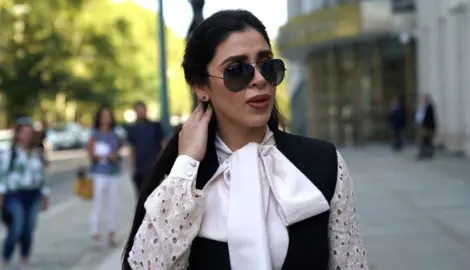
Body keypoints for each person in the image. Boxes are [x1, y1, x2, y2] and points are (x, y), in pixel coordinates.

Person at [122, 10, 368, 270]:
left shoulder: (324, 163)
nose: (259, 79)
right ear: (201, 87)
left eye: (267, 65)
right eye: (237, 70)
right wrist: (186, 164)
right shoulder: (183, 185)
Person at [0, 119, 49, 270]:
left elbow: (42, 176)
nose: (27, 136)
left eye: (30, 133)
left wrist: (45, 194)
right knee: (17, 225)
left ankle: (24, 257)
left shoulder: (37, 153)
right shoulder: (10, 153)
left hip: (33, 194)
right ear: (18, 134)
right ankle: (5, 257)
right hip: (15, 194)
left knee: (29, 227)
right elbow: (3, 174)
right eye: (24, 132)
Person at [87, 106, 122, 249]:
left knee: (113, 205)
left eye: (108, 116)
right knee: (98, 205)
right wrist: (102, 155)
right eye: (103, 116)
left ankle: (111, 233)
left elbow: (119, 152)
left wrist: (115, 156)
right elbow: (90, 153)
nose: (106, 119)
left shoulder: (115, 134)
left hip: (112, 172)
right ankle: (95, 234)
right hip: (99, 173)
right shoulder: (94, 134)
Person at [126, 101, 166, 198]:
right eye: (138, 110)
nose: (140, 112)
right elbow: (131, 149)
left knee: (157, 197)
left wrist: (163, 163)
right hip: (140, 169)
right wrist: (133, 168)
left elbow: (163, 144)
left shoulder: (155, 126)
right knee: (141, 197)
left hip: (154, 166)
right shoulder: (132, 129)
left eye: (141, 110)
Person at [415, 94, 436, 159]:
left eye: (423, 99)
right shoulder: (424, 107)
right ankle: (424, 153)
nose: (422, 101)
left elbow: (429, 118)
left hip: (428, 127)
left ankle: (428, 153)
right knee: (424, 141)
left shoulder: (429, 107)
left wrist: (423, 123)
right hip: (425, 127)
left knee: (427, 141)